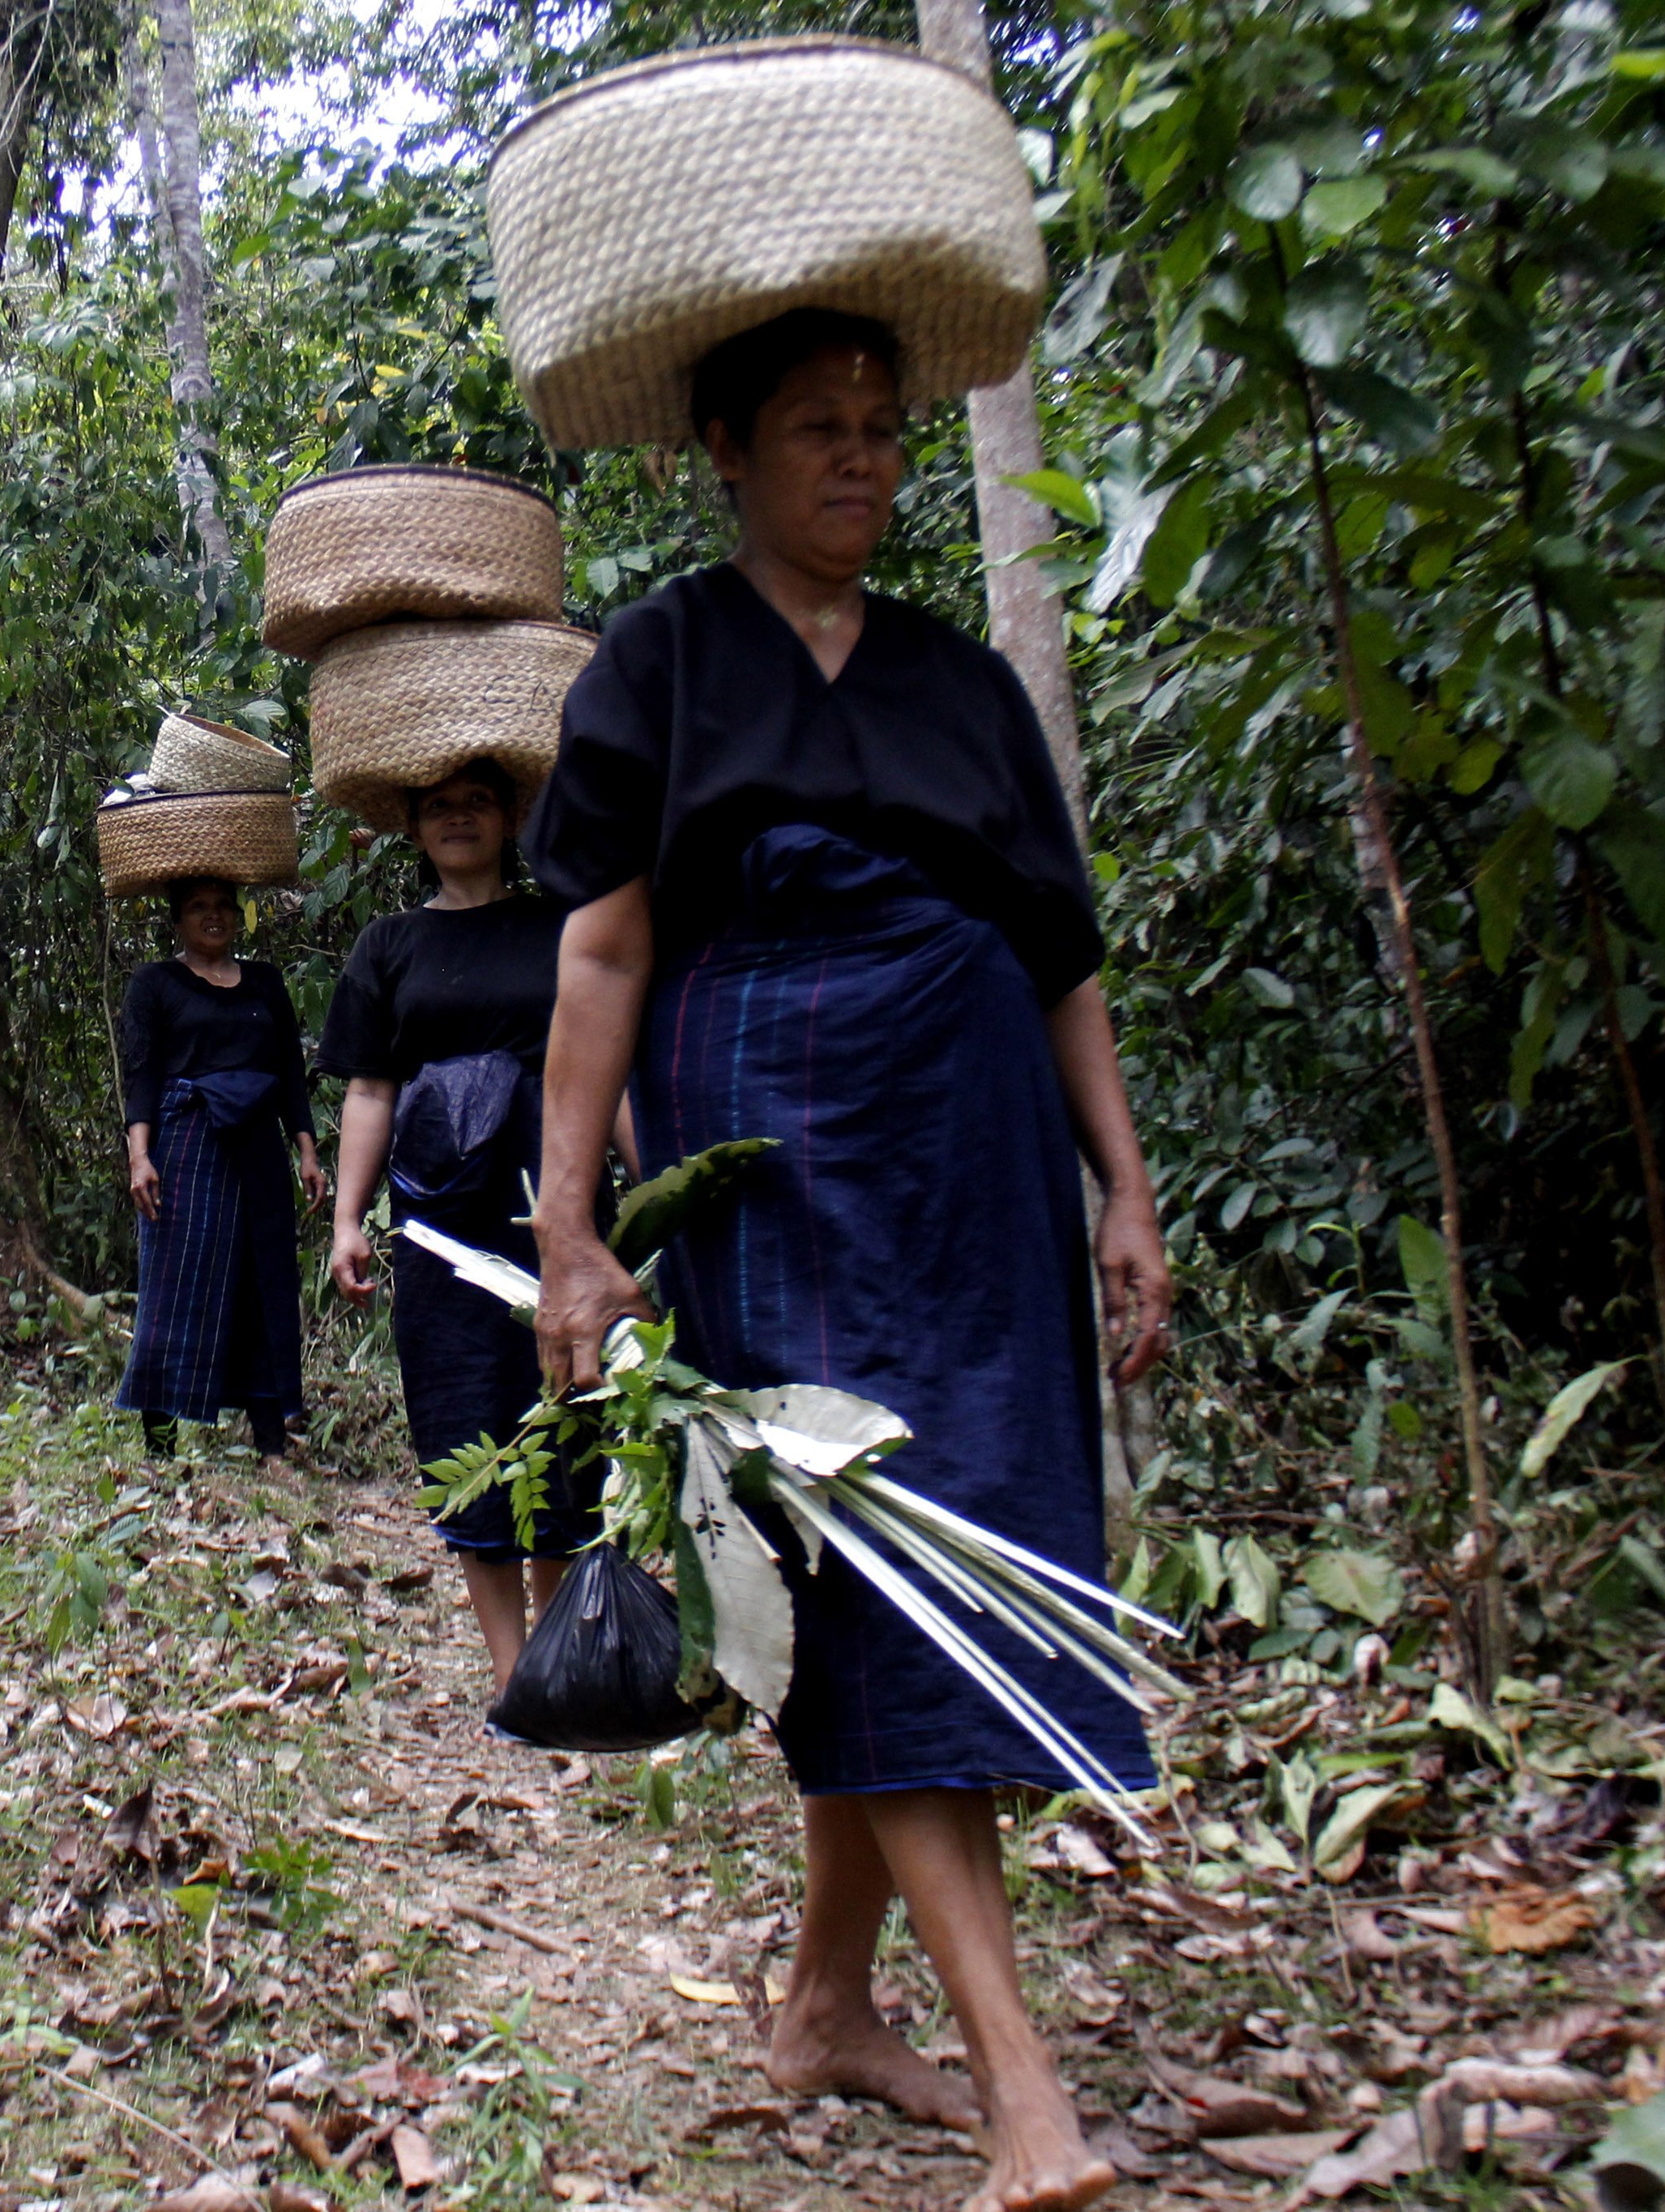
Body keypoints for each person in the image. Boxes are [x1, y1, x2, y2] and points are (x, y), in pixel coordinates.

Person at [526, 309, 1173, 2212]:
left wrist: (1119, 1191)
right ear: (722, 444)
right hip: (768, 1146)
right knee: (879, 1567)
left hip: (969, 1161)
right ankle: (1021, 2083)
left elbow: (1059, 960)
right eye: (821, 427)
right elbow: (604, 956)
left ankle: (819, 1999)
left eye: (886, 429)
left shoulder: (964, 689)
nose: (866, 460)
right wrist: (570, 1230)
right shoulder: (655, 666)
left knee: (954, 1542)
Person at [321, 758, 598, 1686]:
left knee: (565, 1412)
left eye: (475, 802)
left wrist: (651, 1190)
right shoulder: (388, 946)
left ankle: (560, 1651)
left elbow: (610, 1064)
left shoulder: (563, 927)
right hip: (441, 1227)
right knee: (466, 1418)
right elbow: (368, 1089)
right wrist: (349, 1220)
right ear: (413, 828)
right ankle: (513, 1669)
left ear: (510, 815)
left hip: (553, 1208)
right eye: (436, 807)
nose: (457, 820)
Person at [114, 875, 328, 1477]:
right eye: (198, 909)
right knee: (171, 1290)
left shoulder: (265, 982)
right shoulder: (155, 984)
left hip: (258, 1149)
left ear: (239, 916)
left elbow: (289, 1069)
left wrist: (307, 1152)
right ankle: (160, 1448)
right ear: (177, 920)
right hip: (186, 1148)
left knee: (262, 1287)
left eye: (222, 908)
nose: (213, 918)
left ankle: (272, 1448)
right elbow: (143, 1075)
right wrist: (140, 1157)